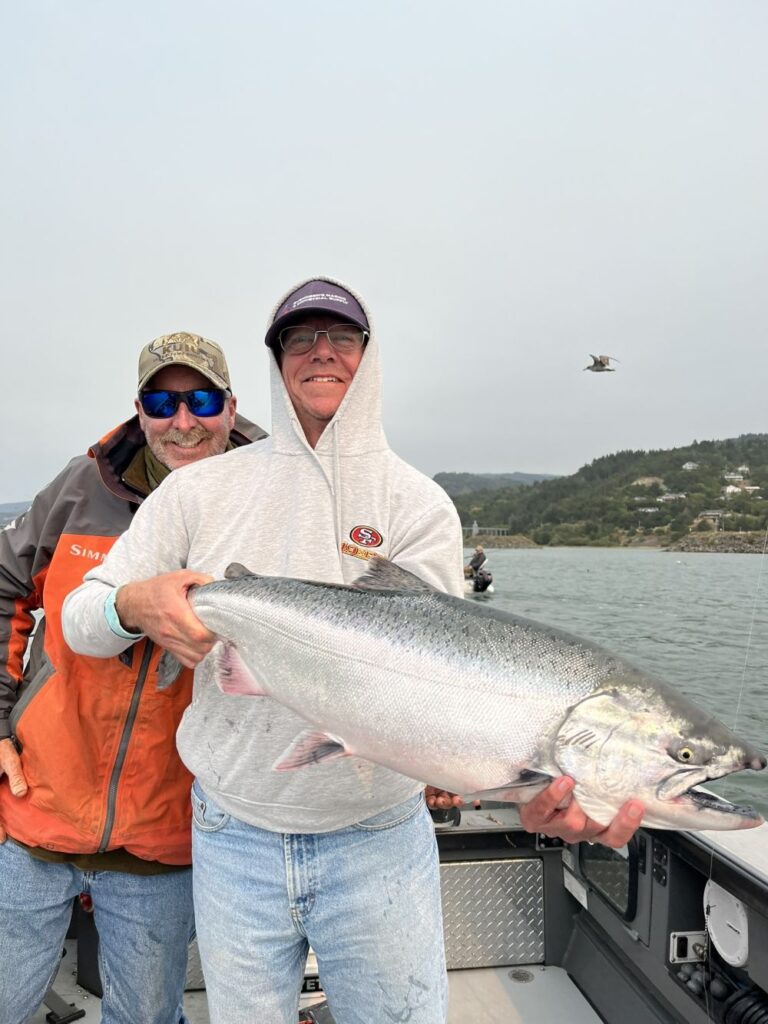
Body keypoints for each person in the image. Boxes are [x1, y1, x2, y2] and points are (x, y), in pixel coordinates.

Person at [62, 280, 641, 1024]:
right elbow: (81, 619)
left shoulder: (417, 503)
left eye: (341, 337)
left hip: (377, 838)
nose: (322, 352)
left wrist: (531, 788)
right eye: (300, 339)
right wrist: (130, 605)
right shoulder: (196, 493)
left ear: (368, 356)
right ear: (275, 364)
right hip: (234, 832)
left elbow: (444, 693)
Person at [0, 331, 265, 1024]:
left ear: (231, 406)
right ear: (140, 409)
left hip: (166, 833)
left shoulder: (266, 501)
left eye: (202, 399)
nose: (183, 420)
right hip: (35, 813)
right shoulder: (76, 489)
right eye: (162, 399)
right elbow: (4, 586)